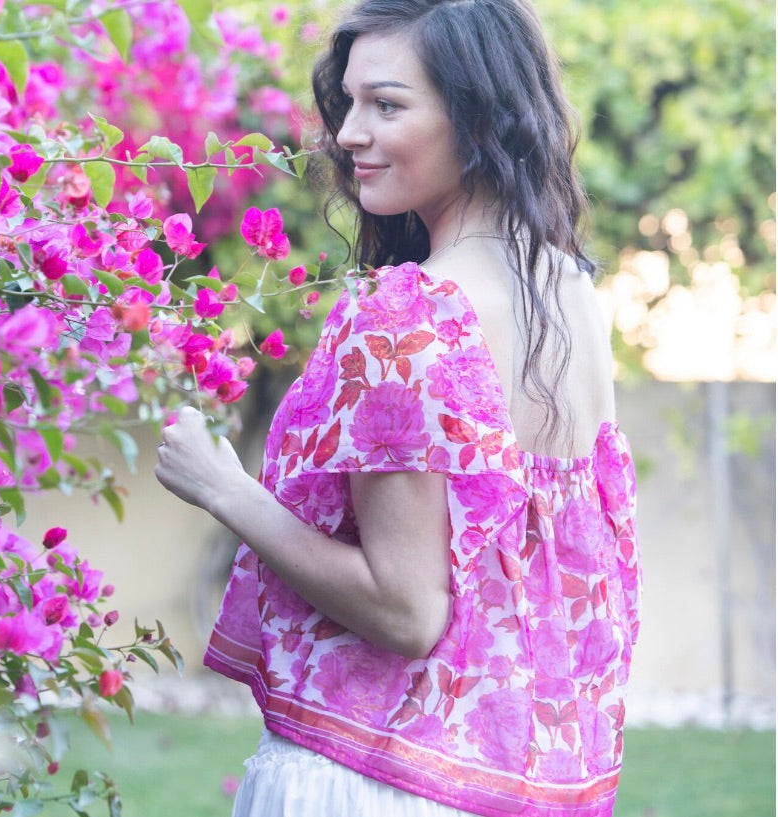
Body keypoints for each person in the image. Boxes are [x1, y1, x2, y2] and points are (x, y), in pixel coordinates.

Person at [154, 0, 642, 815]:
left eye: (387, 104)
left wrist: (221, 487)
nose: (347, 133)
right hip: (503, 783)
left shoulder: (409, 314)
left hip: (371, 775)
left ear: (478, 117)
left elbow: (404, 607)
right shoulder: (569, 290)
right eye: (347, 102)